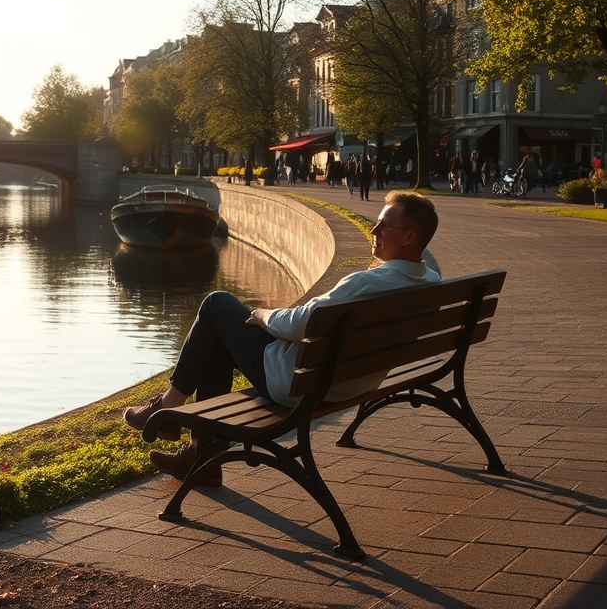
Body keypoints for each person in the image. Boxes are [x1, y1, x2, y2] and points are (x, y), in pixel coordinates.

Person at [122, 191, 441, 486]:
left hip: (293, 382)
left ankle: (170, 410)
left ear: (409, 237)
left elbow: (303, 322)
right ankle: (201, 453)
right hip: (350, 382)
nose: (374, 231)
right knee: (219, 332)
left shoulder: (368, 284)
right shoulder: (430, 282)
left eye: (384, 226)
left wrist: (263, 316)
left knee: (216, 304)